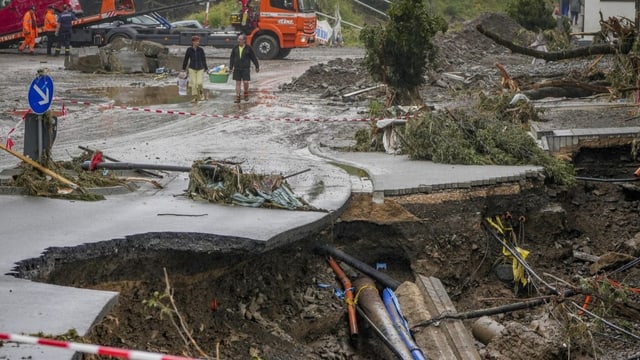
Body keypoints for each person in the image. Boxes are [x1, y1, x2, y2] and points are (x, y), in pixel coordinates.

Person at [229, 34, 259, 103]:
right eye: (238, 39)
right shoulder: (235, 47)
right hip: (237, 68)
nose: (238, 40)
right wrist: (231, 67)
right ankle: (238, 97)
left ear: (244, 40)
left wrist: (257, 66)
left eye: (240, 39)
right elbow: (232, 58)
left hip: (245, 68)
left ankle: (246, 92)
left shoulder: (248, 48)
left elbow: (253, 58)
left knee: (245, 82)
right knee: (238, 83)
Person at [182, 35, 209, 103]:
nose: (198, 43)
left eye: (198, 41)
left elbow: (203, 59)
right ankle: (195, 97)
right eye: (196, 41)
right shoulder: (189, 50)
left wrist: (206, 68)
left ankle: (201, 94)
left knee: (199, 83)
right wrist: (183, 68)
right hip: (192, 68)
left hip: (200, 68)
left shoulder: (201, 50)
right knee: (193, 83)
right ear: (193, 42)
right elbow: (186, 59)